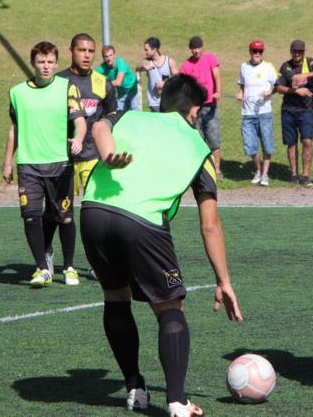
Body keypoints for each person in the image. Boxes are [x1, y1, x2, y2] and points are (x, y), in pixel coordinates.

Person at [80, 74, 242, 417]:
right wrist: (223, 281)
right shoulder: (200, 150)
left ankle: (135, 388)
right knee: (170, 308)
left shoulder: (130, 115)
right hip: (140, 222)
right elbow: (210, 224)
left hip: (93, 211)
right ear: (195, 111)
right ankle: (178, 402)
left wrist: (108, 155)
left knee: (116, 295)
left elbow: (98, 127)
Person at [3, 41, 86, 287]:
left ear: (56, 63)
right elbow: (14, 130)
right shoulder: (17, 92)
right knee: (30, 217)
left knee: (64, 217)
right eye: (41, 62)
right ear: (33, 63)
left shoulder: (67, 87)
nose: (46, 66)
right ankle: (42, 268)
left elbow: (80, 121)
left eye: (50, 62)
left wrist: (79, 139)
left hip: (60, 163)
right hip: (28, 164)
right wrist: (7, 161)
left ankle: (69, 267)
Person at [58, 33, 118, 285]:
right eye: (81, 50)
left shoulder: (103, 83)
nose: (86, 55)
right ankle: (57, 261)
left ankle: (98, 264)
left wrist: (106, 124)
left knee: (97, 213)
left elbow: (114, 112)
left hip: (93, 157)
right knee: (60, 212)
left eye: (91, 51)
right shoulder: (58, 81)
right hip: (61, 157)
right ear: (71, 50)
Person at [276, 39, 313, 186]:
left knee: (307, 141)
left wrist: (305, 75)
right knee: (291, 143)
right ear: (291, 51)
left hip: (305, 110)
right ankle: (294, 175)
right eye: (294, 51)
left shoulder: (310, 63)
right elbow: (279, 88)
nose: (297, 54)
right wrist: (295, 91)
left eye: (300, 51)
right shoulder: (285, 66)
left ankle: (306, 175)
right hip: (288, 110)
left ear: (304, 52)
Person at [179, 36, 223, 178]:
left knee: (213, 139)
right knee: (197, 139)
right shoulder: (186, 65)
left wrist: (218, 91)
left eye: (198, 47)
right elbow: (184, 85)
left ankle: (217, 170)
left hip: (210, 106)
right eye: (193, 48)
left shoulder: (210, 58)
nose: (196, 50)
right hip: (195, 107)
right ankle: (199, 170)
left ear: (202, 47)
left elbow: (217, 76)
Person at [236, 39, 277, 186]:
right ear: (250, 52)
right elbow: (241, 85)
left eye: (260, 51)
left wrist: (269, 92)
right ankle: (258, 170)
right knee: (250, 146)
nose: (257, 54)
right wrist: (240, 93)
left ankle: (265, 174)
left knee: (267, 145)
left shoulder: (268, 67)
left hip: (264, 112)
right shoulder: (244, 67)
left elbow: (276, 86)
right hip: (248, 113)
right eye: (255, 51)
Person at [137, 37, 177, 112]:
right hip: (154, 104)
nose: (145, 52)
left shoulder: (169, 62)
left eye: (146, 50)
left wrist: (165, 83)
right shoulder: (147, 62)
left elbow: (177, 78)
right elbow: (137, 68)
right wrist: (142, 65)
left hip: (168, 102)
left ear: (154, 50)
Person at [97, 45, 139, 111]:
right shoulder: (103, 66)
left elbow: (118, 82)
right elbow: (92, 76)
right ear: (103, 58)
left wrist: (104, 84)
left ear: (114, 55)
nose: (109, 58)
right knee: (119, 116)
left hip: (133, 91)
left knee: (135, 115)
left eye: (110, 55)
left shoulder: (120, 63)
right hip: (121, 93)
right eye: (106, 56)